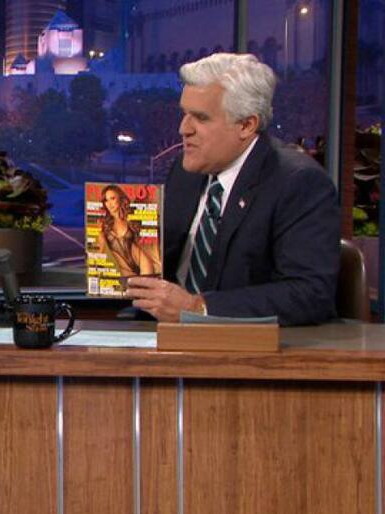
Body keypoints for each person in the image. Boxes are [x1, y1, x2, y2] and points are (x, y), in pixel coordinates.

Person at [124, 53, 339, 326]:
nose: (183, 129)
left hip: (244, 344)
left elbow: (309, 294)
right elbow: (160, 265)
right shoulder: (185, 171)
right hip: (161, 332)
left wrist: (197, 308)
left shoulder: (298, 182)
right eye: (184, 114)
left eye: (200, 118)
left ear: (246, 125)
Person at [97, 184, 161, 289]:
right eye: (106, 200)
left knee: (146, 292)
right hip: (122, 269)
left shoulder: (130, 217)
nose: (109, 204)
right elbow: (101, 252)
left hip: (142, 262)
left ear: (120, 198)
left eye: (112, 198)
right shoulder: (103, 224)